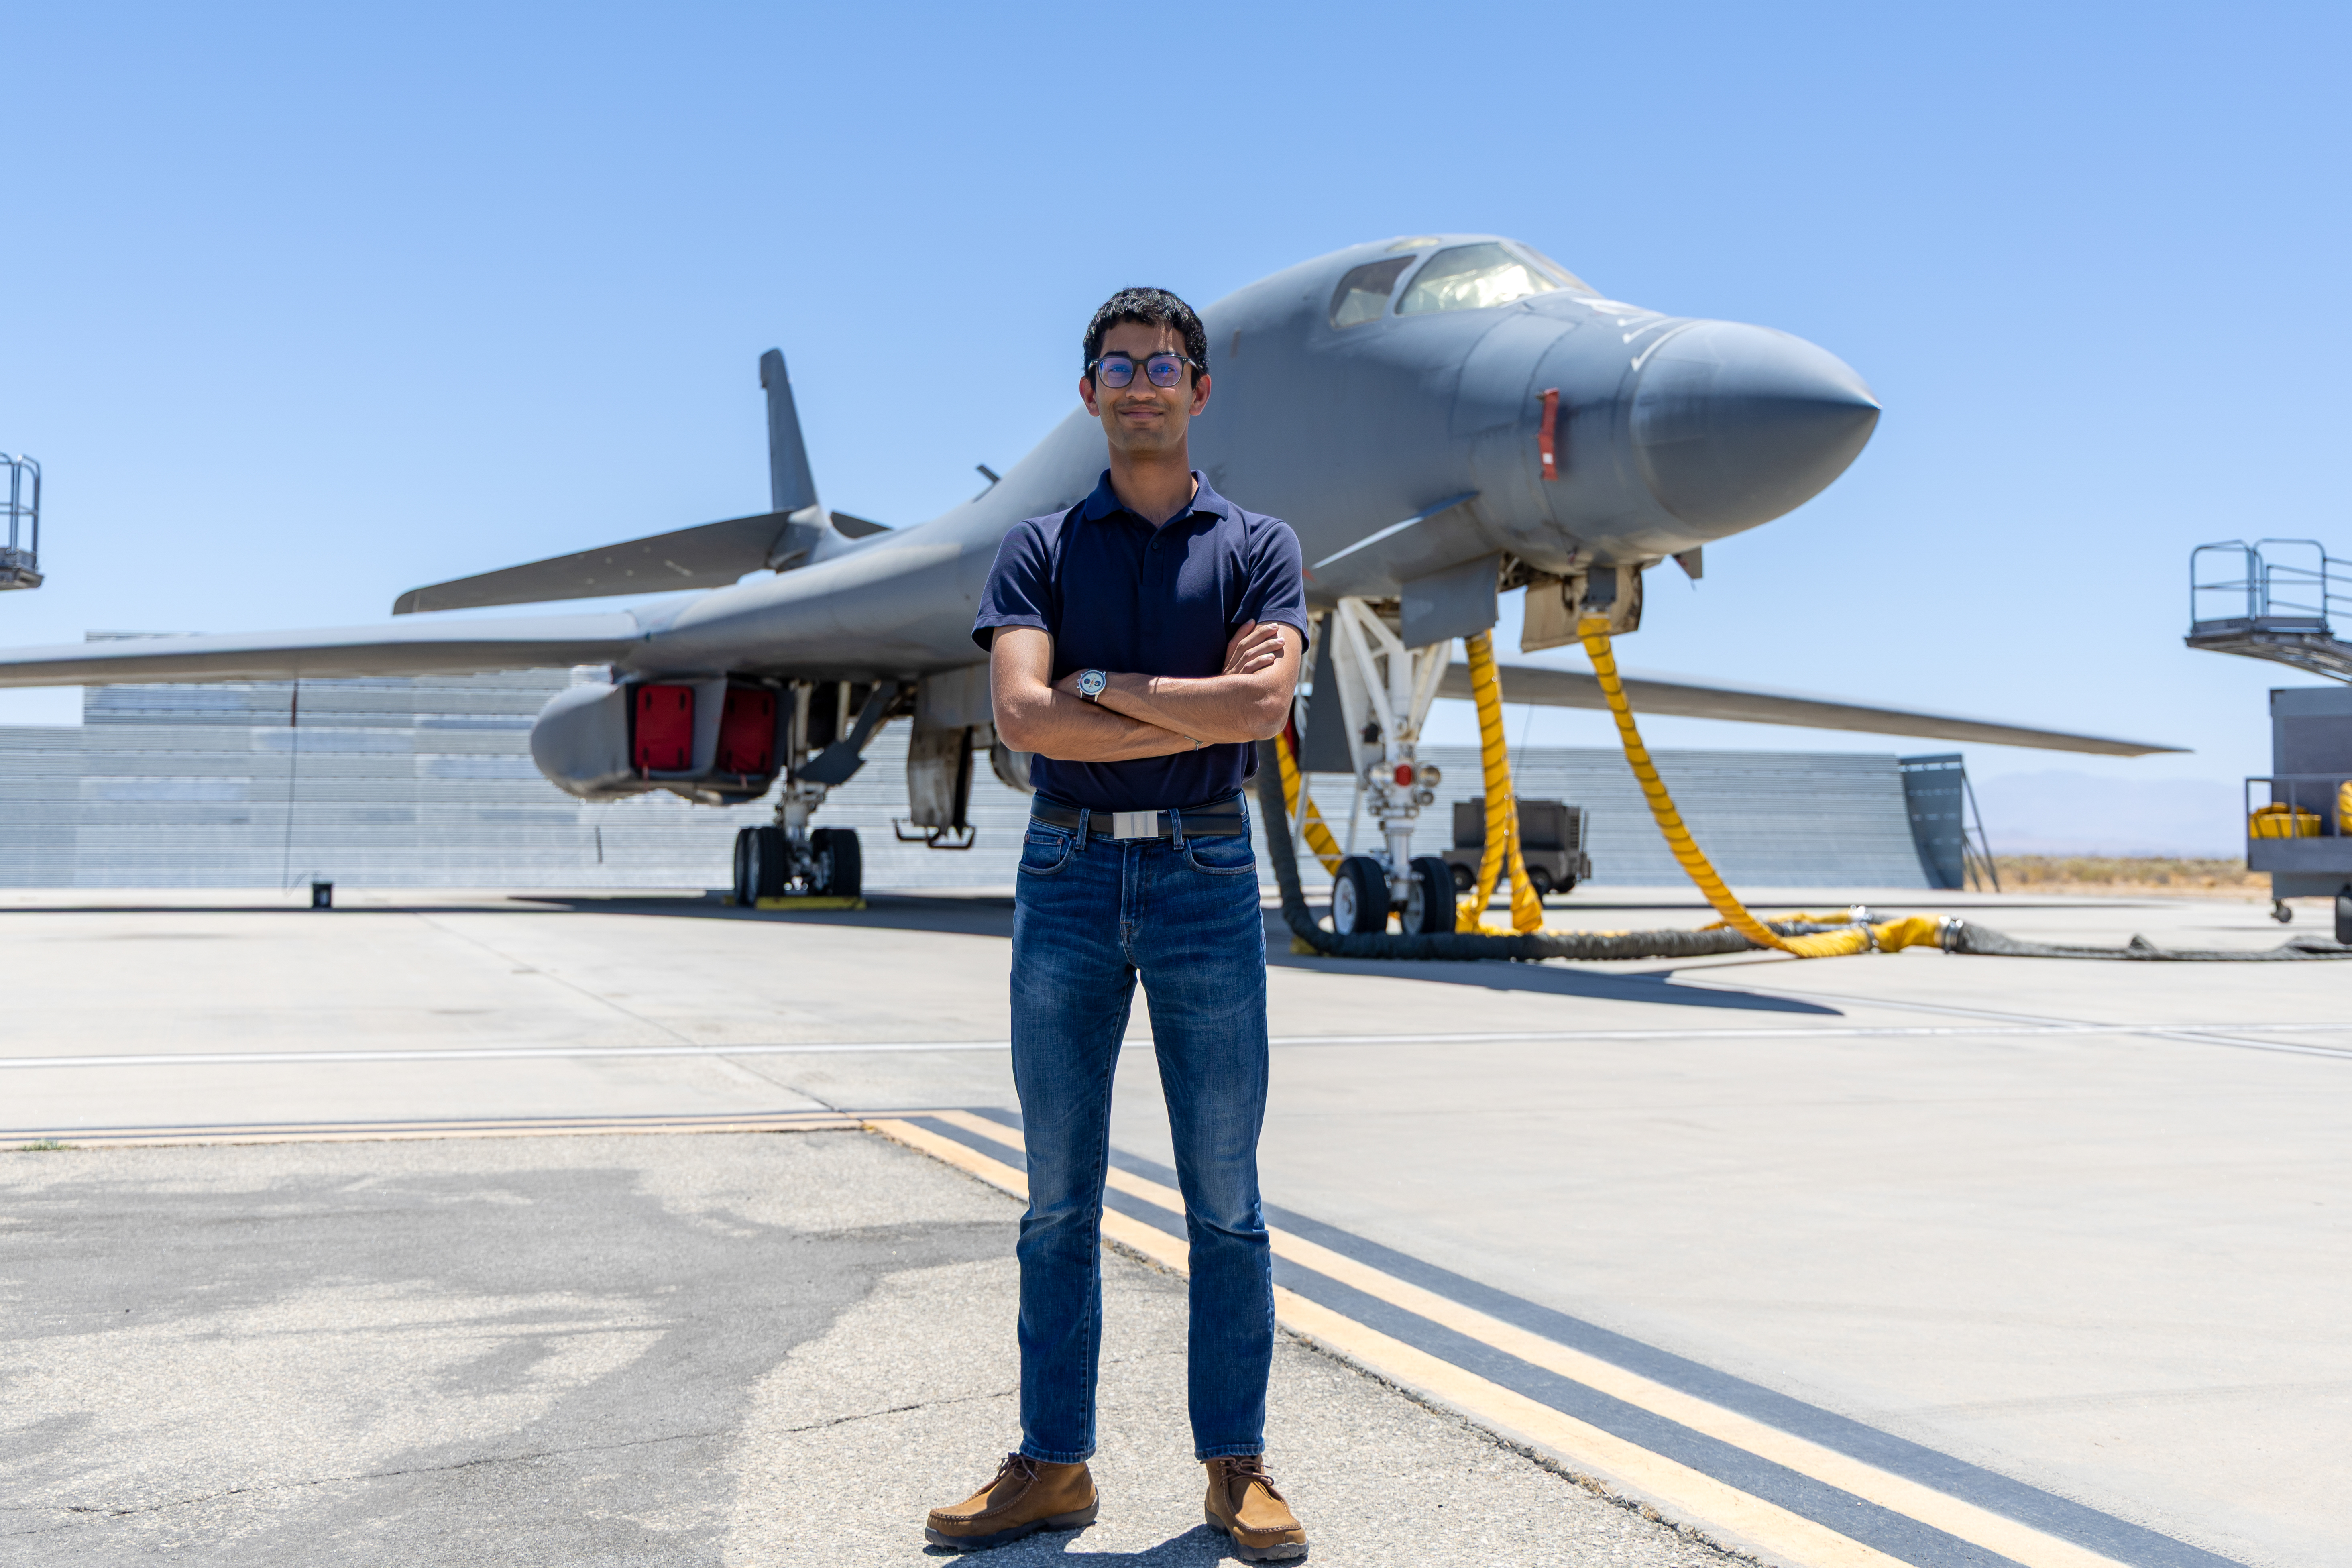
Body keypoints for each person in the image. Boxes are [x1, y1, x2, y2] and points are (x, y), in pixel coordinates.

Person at [927, 288, 1309, 1559]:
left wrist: (1102, 684)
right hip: (1071, 878)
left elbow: (1260, 716)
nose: (1141, 383)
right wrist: (1188, 703)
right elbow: (1024, 722)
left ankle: (1236, 1468)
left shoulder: (1261, 547)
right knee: (1055, 1199)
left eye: (1163, 365)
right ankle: (1052, 1464)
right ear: (1087, 394)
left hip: (1205, 877)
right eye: (1117, 366)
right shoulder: (1035, 550)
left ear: (1200, 391)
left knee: (1227, 1199)